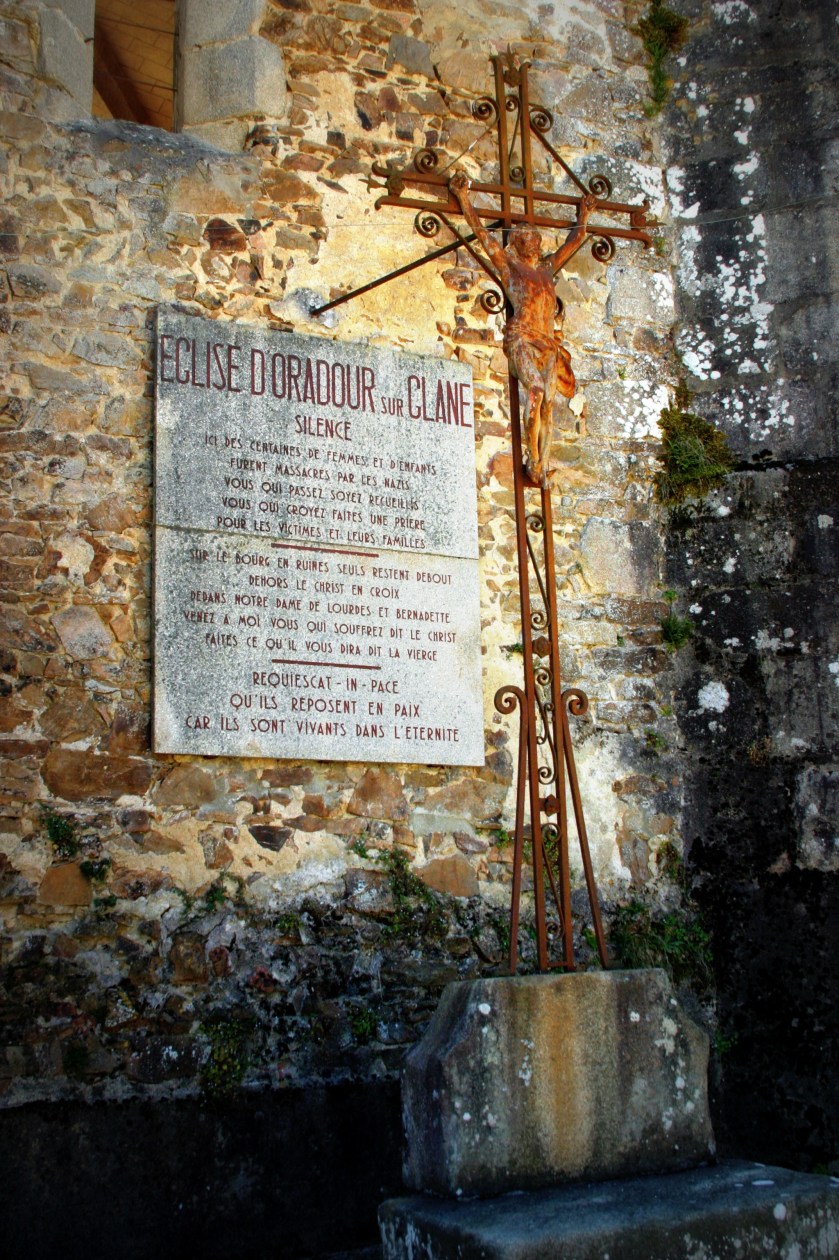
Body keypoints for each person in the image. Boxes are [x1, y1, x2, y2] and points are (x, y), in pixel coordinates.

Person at [449, 172, 598, 486]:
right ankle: (531, 458)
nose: (535, 244)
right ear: (517, 244)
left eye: (536, 240)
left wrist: (583, 215)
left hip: (548, 343)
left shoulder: (546, 269)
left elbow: (575, 241)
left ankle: (542, 464)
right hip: (522, 338)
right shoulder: (509, 266)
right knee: (536, 392)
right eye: (528, 239)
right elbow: (482, 235)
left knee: (550, 404)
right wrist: (464, 199)